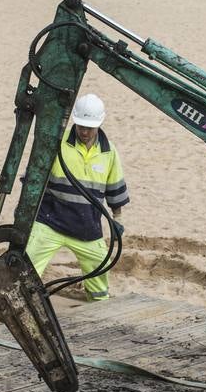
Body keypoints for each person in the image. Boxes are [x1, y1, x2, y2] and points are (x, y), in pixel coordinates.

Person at [26, 94, 129, 301]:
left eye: (89, 127)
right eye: (81, 126)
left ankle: (97, 308)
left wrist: (117, 220)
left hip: (87, 229)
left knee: (100, 276)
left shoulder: (109, 153)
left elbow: (114, 190)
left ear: (99, 124)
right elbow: (33, 179)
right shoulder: (57, 143)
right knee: (26, 268)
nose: (84, 131)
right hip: (50, 223)